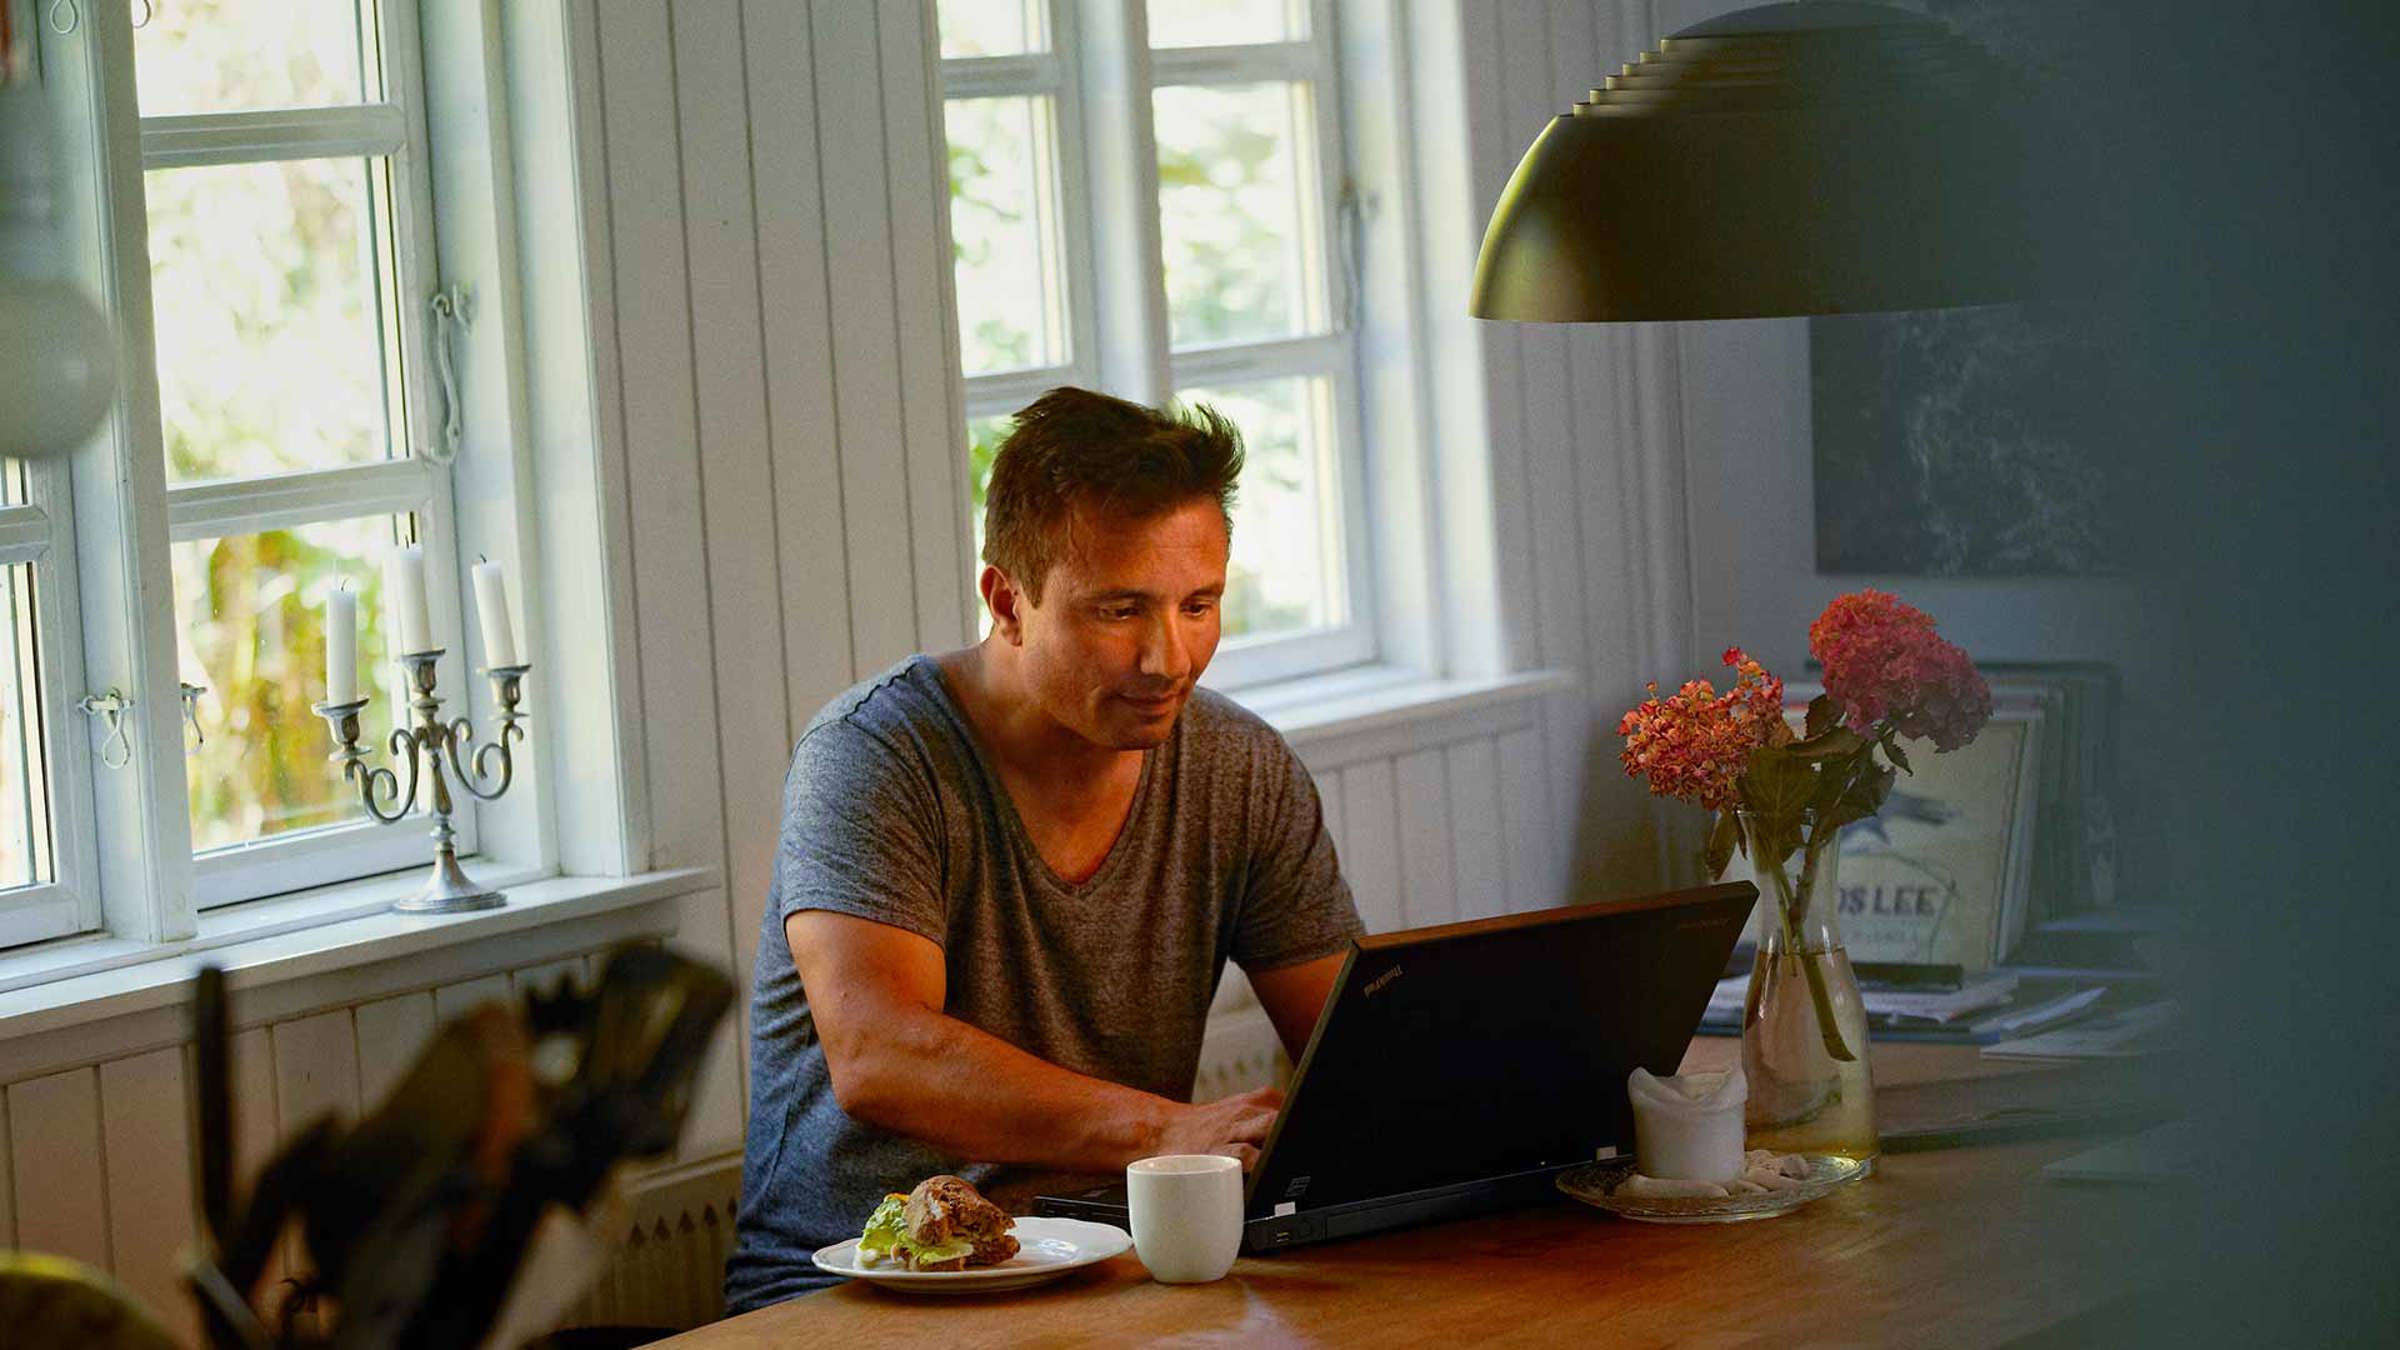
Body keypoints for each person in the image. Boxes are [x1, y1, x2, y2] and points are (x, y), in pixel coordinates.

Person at [723, 387, 1365, 1311]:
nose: (1170, 658)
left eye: (1199, 604)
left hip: (1119, 1277)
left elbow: (1348, 1042)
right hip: (849, 1295)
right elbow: (879, 1055)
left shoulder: (1240, 767)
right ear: (1006, 601)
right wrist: (1167, 1132)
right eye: (1120, 612)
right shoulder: (872, 755)